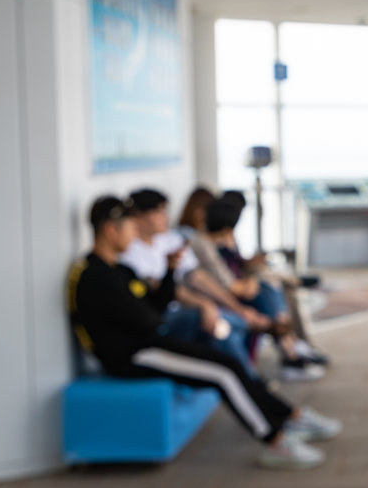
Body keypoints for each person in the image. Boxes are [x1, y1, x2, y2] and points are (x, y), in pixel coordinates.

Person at [68, 196, 342, 469]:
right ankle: (275, 439)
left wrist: (170, 271)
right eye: (129, 227)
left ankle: (287, 416)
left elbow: (155, 308)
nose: (133, 234)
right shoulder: (94, 276)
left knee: (231, 361)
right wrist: (158, 307)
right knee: (222, 373)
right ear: (110, 230)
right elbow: (147, 321)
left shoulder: (120, 270)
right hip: (134, 356)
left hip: (153, 342)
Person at [120, 188, 266, 378]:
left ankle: (249, 379)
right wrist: (205, 304)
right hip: (163, 319)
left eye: (165, 210)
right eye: (159, 211)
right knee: (222, 325)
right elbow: (169, 291)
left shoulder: (170, 239)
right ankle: (250, 382)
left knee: (231, 323)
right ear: (138, 217)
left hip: (187, 310)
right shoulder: (129, 252)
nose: (166, 217)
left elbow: (198, 277)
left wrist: (237, 308)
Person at [189, 196, 326, 380]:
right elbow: (227, 285)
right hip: (222, 295)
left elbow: (233, 269)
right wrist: (248, 283)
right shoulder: (204, 245)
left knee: (271, 287)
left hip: (232, 289)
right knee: (268, 289)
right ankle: (290, 348)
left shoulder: (216, 240)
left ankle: (290, 346)